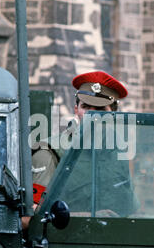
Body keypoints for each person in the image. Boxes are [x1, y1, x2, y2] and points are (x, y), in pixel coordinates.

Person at [22, 71, 131, 228]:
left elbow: (128, 210)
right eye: (86, 107)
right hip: (65, 244)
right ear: (76, 109)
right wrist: (91, 216)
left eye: (100, 109)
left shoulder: (116, 154)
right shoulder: (50, 152)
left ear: (113, 113)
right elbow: (29, 218)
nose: (92, 115)